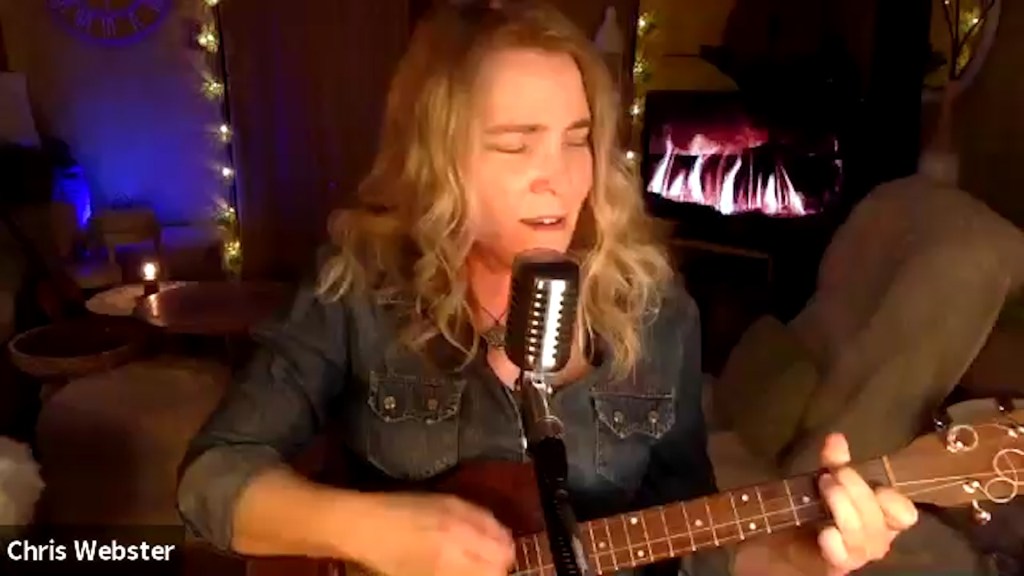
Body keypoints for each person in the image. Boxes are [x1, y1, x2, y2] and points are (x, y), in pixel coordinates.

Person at [176, 2, 919, 575]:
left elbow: (685, 535)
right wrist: (375, 531)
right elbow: (212, 479)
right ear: (437, 161)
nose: (558, 177)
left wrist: (798, 556)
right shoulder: (358, 290)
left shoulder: (657, 313)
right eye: (513, 142)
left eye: (577, 138)